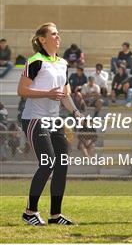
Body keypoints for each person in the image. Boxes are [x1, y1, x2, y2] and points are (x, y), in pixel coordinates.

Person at [17, 23, 83, 226]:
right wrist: (48, 93)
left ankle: (55, 216)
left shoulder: (63, 63)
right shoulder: (35, 61)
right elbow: (22, 90)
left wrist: (76, 112)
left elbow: (65, 94)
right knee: (48, 162)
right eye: (53, 34)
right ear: (42, 39)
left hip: (55, 120)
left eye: (58, 33)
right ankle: (30, 212)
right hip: (35, 118)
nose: (58, 37)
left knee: (62, 164)